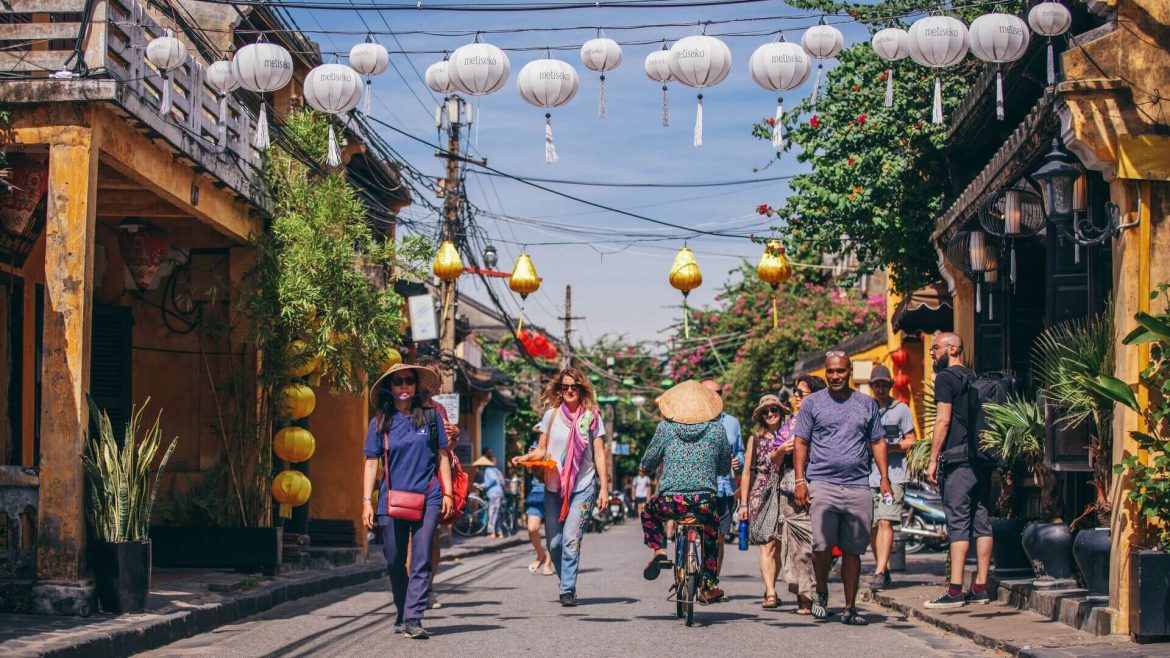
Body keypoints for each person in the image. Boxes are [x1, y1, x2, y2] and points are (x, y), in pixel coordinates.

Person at [792, 352, 891, 625]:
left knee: (853, 550)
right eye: (831, 372)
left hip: (858, 484)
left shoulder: (866, 404)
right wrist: (801, 481)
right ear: (826, 372)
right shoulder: (813, 403)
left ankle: (850, 608)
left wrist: (884, 477)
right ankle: (821, 589)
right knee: (821, 546)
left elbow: (878, 441)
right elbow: (801, 442)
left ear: (850, 372)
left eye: (841, 371)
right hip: (822, 482)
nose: (836, 376)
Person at [362, 363, 453, 639]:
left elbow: (442, 456)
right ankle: (402, 611)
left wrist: (447, 491)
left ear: (416, 387)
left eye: (409, 382)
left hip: (429, 496)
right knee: (393, 559)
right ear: (390, 388)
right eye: (398, 382)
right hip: (390, 500)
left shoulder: (430, 417)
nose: (404, 386)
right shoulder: (379, 423)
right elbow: (370, 463)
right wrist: (367, 500)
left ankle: (414, 617)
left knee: (422, 557)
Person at [512, 367, 610, 607]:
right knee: (554, 542)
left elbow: (599, 454)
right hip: (553, 486)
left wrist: (605, 488)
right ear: (559, 389)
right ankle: (564, 577)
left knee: (569, 540)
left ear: (581, 389)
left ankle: (567, 590)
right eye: (565, 386)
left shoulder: (592, 416)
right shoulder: (551, 415)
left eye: (574, 387)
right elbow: (543, 449)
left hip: (584, 486)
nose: (569, 390)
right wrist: (526, 457)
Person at [639, 380, 733, 604]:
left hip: (672, 500)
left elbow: (649, 460)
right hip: (704, 501)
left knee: (650, 513)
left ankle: (659, 550)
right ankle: (708, 586)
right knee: (710, 535)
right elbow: (724, 466)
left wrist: (646, 466)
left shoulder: (666, 428)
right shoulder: (717, 428)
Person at [924, 332, 993, 609]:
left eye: (935, 348)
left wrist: (932, 459)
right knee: (982, 521)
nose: (931, 353)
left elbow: (942, 421)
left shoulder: (945, 378)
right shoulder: (974, 377)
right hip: (981, 460)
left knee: (957, 523)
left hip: (958, 460)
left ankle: (954, 591)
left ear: (953, 348)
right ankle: (980, 587)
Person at [412, 355, 461, 612]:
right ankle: (411, 587)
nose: (435, 384)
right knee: (409, 539)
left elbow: (447, 449)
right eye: (431, 378)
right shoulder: (404, 406)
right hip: (408, 480)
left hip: (434, 480)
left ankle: (427, 587)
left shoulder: (440, 409)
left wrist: (455, 435)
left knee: (431, 537)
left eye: (437, 378)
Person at [777, 376, 825, 615]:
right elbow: (772, 458)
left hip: (820, 485)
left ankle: (819, 592)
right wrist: (782, 449)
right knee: (798, 548)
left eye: (801, 392)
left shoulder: (825, 420)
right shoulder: (790, 423)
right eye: (795, 392)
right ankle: (805, 597)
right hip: (790, 490)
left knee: (819, 546)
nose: (795, 396)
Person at [867, 365, 917, 591]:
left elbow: (912, 440)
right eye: (876, 385)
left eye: (883, 385)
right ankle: (883, 568)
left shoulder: (901, 409)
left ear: (889, 386)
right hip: (868, 476)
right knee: (872, 525)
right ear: (871, 387)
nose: (879, 389)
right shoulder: (865, 410)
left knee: (887, 521)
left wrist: (893, 447)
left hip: (895, 475)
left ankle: (879, 572)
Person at [738, 394, 789, 609]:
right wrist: (743, 503)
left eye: (774, 410)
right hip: (762, 491)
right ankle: (770, 591)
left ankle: (771, 585)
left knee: (778, 546)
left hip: (785, 490)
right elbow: (747, 472)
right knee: (766, 544)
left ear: (781, 413)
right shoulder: (755, 439)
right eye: (766, 412)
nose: (770, 414)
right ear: (760, 416)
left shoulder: (790, 436)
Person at [700, 380, 744, 589]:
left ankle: (711, 583)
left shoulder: (732, 423)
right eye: (710, 393)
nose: (715, 396)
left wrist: (739, 461)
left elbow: (741, 452)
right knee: (698, 534)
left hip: (725, 488)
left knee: (718, 538)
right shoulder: (691, 421)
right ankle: (691, 573)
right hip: (699, 488)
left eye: (719, 393)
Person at [524, 467, 554, 575]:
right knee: (532, 528)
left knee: (552, 531)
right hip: (537, 493)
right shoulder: (534, 449)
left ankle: (548, 564)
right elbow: (529, 468)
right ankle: (541, 554)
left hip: (553, 492)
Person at [474, 454, 506, 538]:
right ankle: (499, 532)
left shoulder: (488, 470)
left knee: (492, 512)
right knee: (497, 513)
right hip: (500, 492)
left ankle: (491, 532)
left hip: (493, 493)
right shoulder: (497, 470)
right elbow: (502, 481)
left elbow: (492, 480)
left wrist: (483, 485)